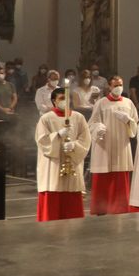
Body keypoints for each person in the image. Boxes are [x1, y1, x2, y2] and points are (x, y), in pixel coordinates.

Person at [34, 87, 90, 221]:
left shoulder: (78, 117)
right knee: (54, 188)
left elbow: (85, 139)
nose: (65, 101)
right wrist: (57, 135)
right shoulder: (46, 118)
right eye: (61, 98)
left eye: (67, 98)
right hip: (53, 164)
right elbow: (42, 140)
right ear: (54, 101)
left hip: (72, 161)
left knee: (71, 192)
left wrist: (74, 145)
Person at [86, 75, 138, 214]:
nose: (118, 88)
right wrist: (98, 128)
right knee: (104, 177)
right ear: (109, 86)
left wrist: (128, 121)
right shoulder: (101, 103)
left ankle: (120, 207)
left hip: (121, 144)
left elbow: (135, 124)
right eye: (115, 85)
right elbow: (92, 123)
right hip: (105, 145)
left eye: (120, 84)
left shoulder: (128, 103)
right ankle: (101, 208)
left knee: (120, 177)